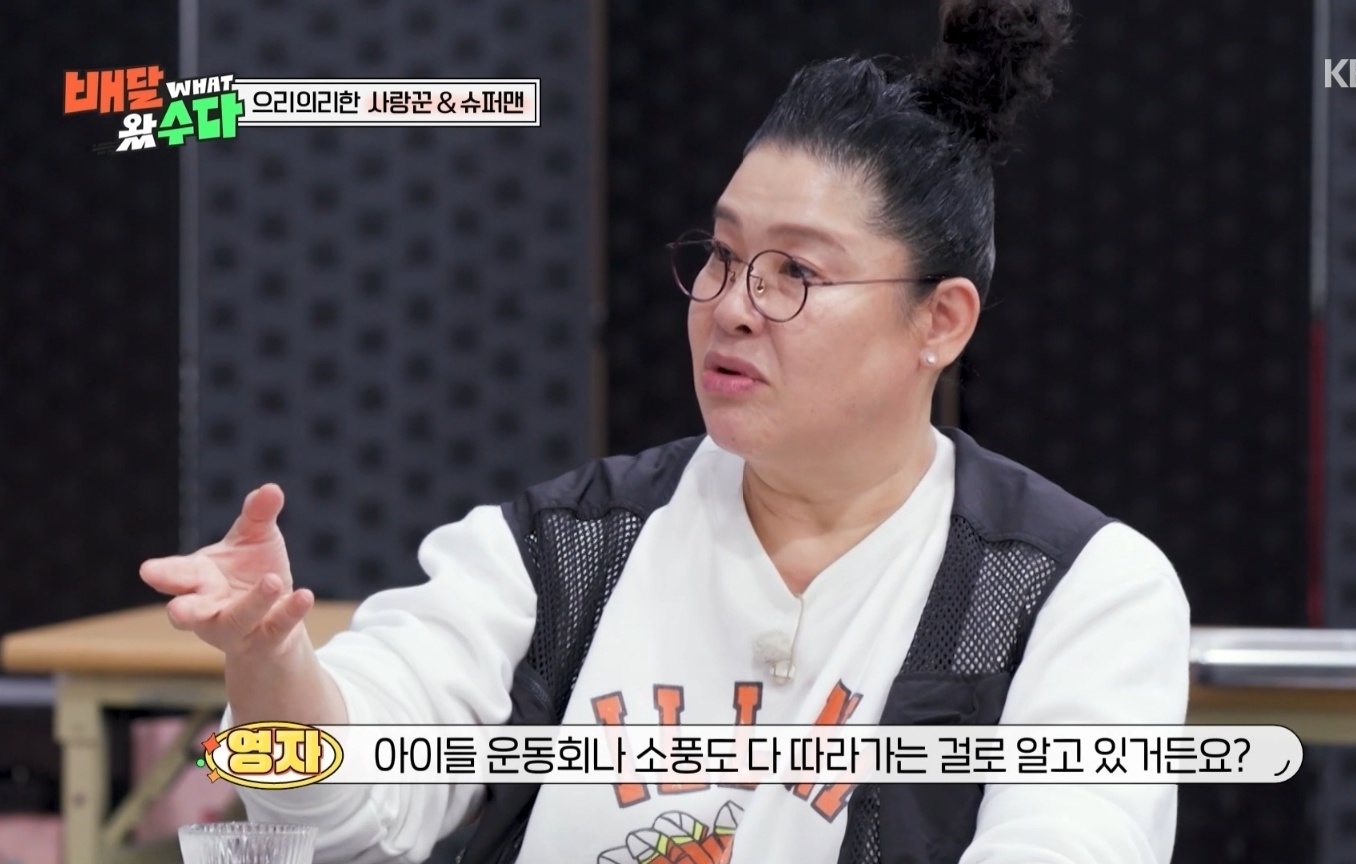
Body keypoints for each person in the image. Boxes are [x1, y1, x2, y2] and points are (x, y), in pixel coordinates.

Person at [140, 1, 1190, 862]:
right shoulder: (561, 550)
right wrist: (270, 666)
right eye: (723, 257)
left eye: (795, 273)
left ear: (941, 321)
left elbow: (1070, 838)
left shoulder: (1074, 590)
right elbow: (353, 804)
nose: (731, 306)